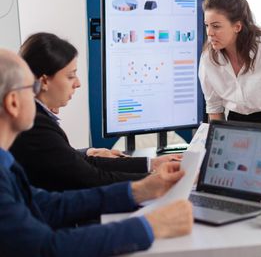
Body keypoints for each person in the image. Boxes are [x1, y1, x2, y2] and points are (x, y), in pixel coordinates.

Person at [0, 48, 193, 257]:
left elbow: (49, 205)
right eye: (32, 87)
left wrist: (141, 189)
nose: (38, 94)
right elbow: (46, 249)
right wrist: (152, 225)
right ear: (13, 102)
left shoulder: (6, 162)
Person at [10, 33, 178, 191]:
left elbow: (80, 162)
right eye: (70, 76)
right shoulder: (35, 125)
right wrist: (156, 179)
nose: (78, 83)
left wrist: (152, 164)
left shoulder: (39, 117)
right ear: (44, 81)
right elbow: (91, 178)